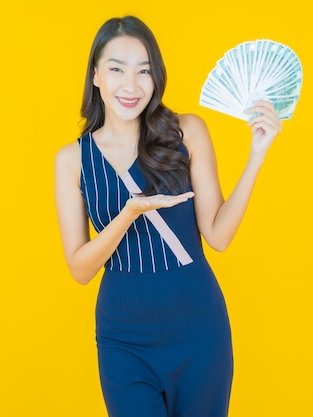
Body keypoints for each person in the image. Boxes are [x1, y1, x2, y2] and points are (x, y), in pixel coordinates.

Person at [54, 15, 282, 417]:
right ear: (95, 75)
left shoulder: (186, 132)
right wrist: (127, 214)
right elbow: (80, 268)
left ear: (156, 77)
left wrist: (256, 156)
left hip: (199, 327)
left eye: (144, 71)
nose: (131, 85)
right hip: (123, 337)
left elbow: (219, 235)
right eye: (116, 69)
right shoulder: (73, 160)